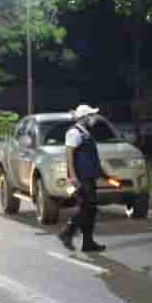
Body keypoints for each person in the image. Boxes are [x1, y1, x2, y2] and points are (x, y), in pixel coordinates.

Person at [57, 105, 118, 252]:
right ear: (83, 117)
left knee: (90, 210)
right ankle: (67, 232)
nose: (93, 118)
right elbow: (69, 156)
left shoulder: (86, 133)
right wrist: (72, 176)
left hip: (89, 177)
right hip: (81, 178)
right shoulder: (74, 132)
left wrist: (104, 175)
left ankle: (87, 242)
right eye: (90, 115)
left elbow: (91, 158)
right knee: (86, 208)